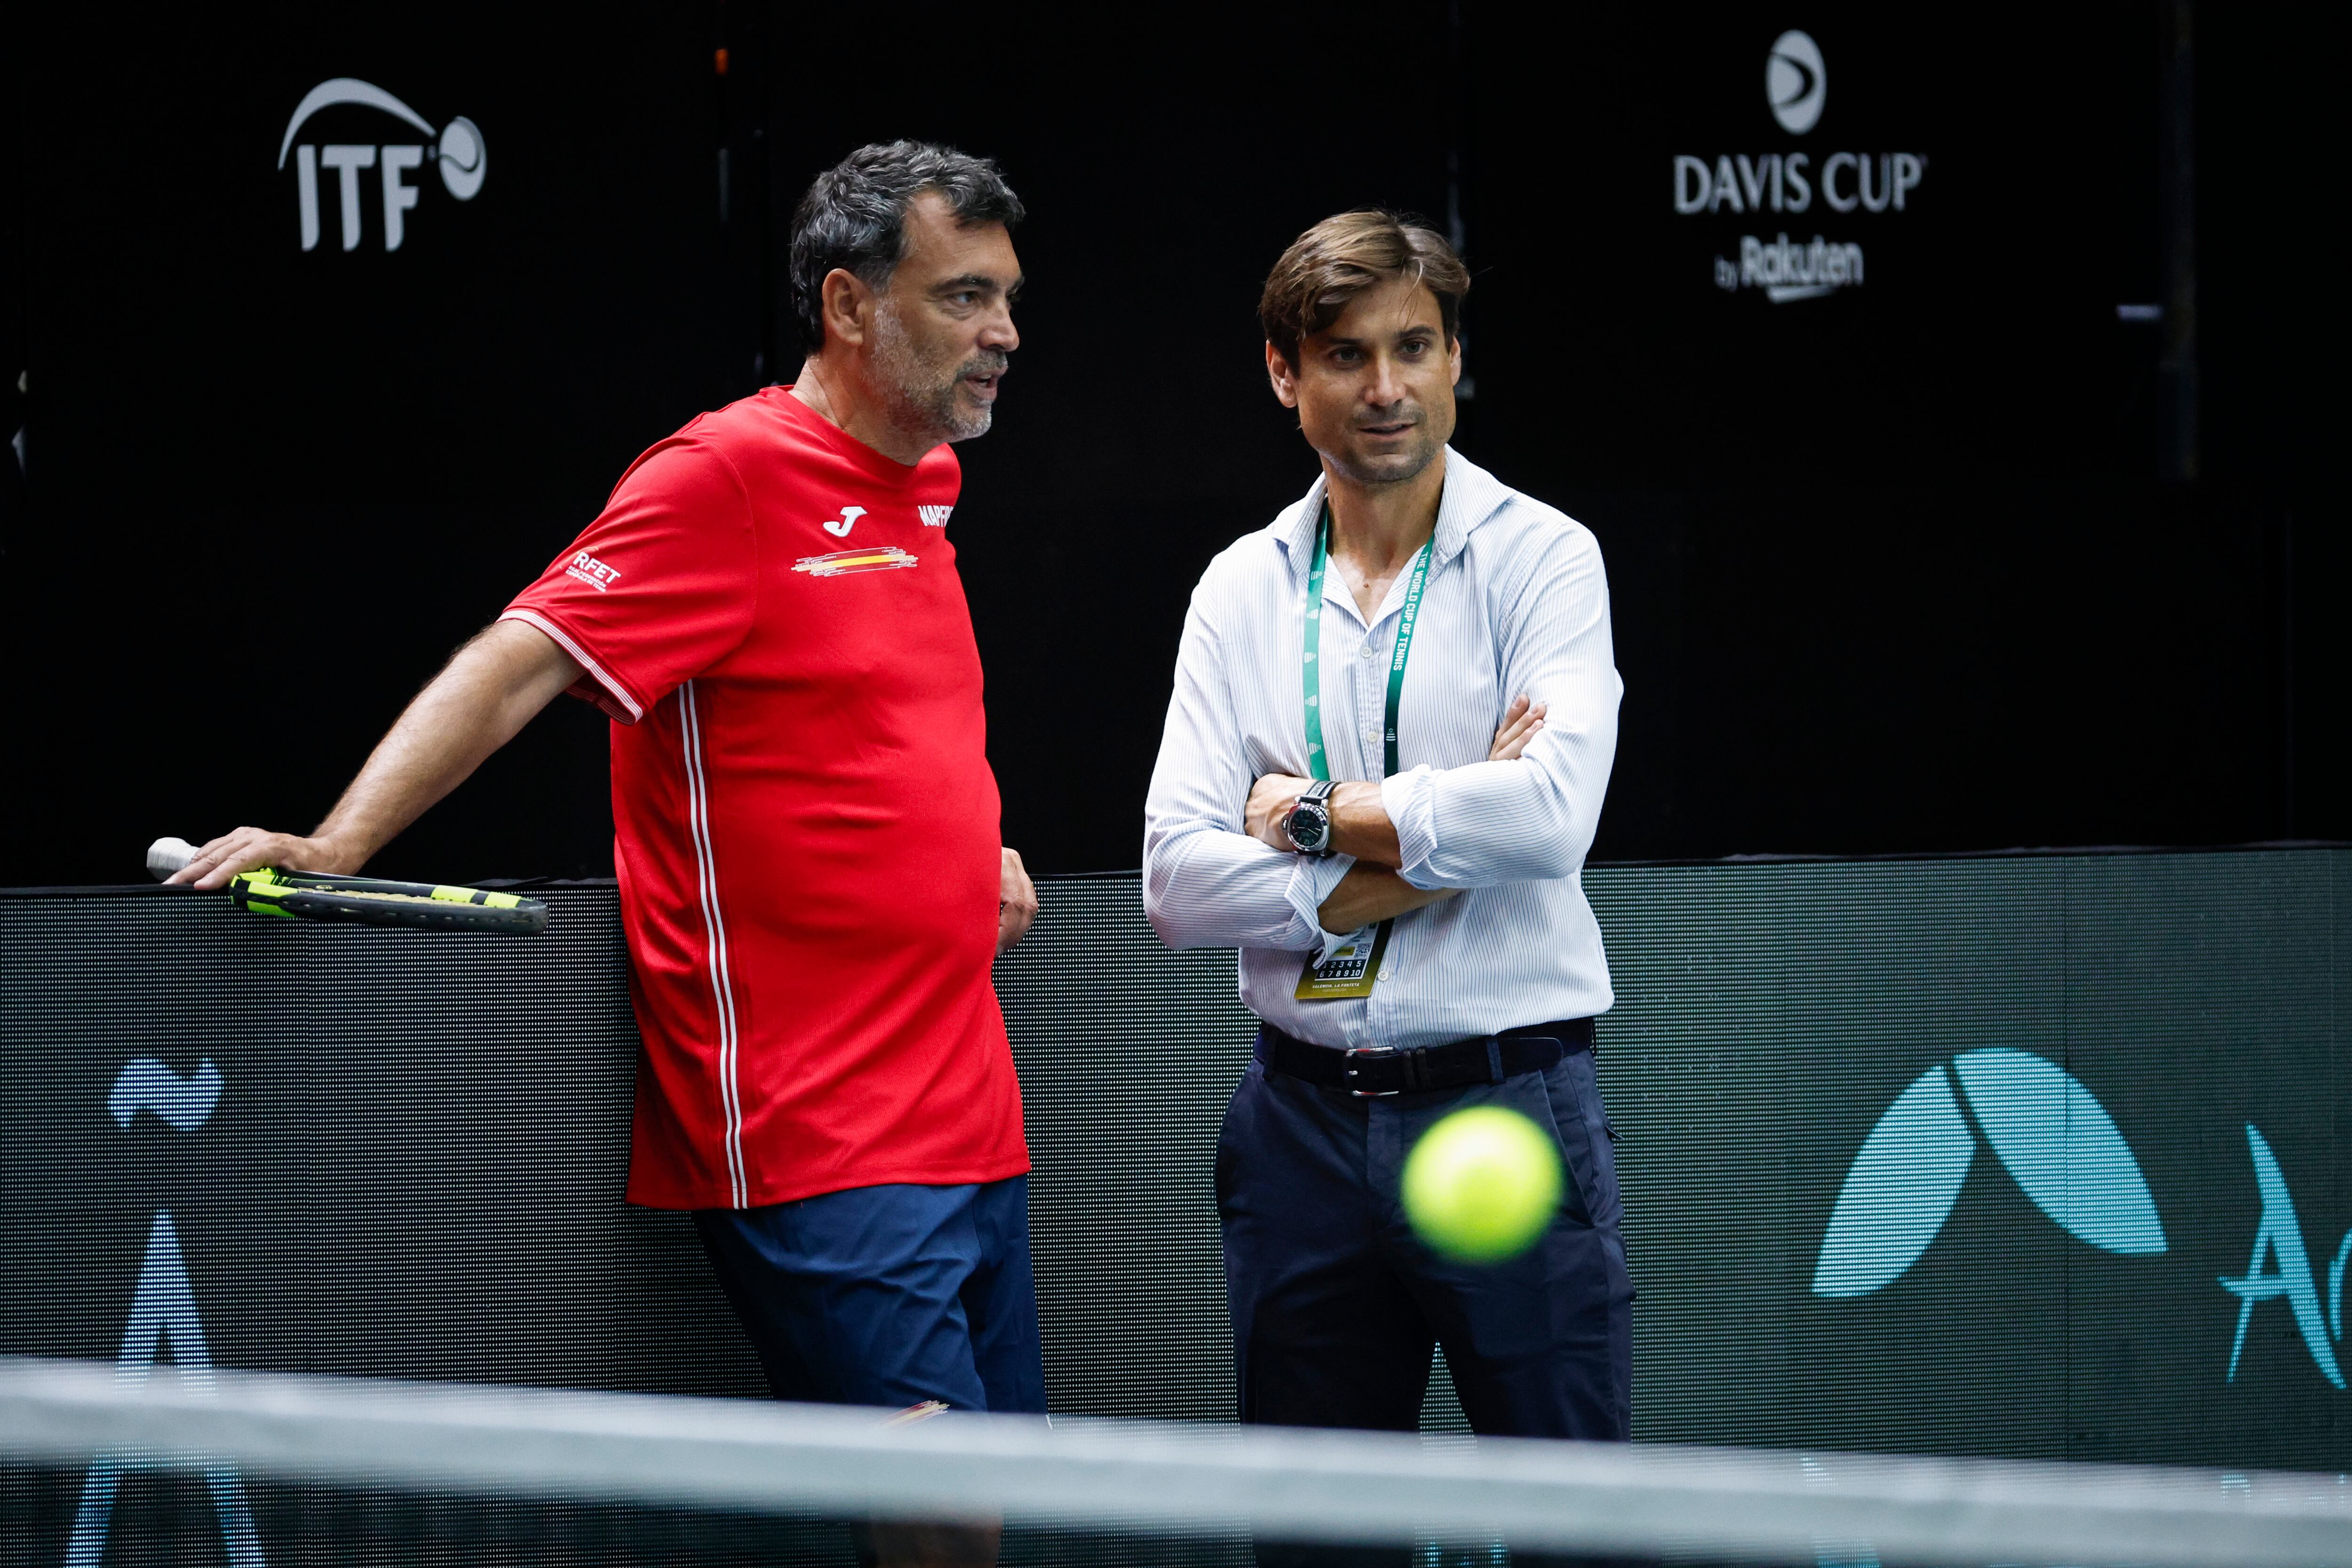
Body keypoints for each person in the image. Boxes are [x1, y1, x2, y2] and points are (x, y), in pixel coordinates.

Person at [174, 140, 1042, 1566]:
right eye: (963, 297)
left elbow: (878, 717)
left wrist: (973, 846)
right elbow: (520, 661)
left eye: (1007, 297)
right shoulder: (724, 477)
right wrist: (335, 843)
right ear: (847, 306)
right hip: (815, 1135)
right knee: (947, 1526)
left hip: (972, 1106)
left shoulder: (929, 481)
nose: (1004, 332)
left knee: (1026, 1509)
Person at [1142, 211, 1631, 1567]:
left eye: (1415, 347)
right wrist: (1393, 866)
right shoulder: (1238, 590)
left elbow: (1548, 817)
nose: (1386, 388)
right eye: (1345, 354)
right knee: (1316, 1551)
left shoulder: (1545, 557)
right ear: (1282, 374)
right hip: (1296, 1132)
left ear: (1457, 359)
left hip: (1508, 1104)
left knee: (1580, 1539)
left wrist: (1305, 818)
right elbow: (1175, 882)